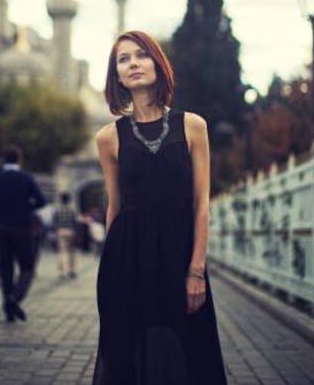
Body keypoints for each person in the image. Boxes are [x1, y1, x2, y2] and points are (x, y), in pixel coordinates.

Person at [92, 31, 228, 385]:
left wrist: (196, 271)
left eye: (141, 55)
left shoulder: (192, 126)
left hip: (178, 255)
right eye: (123, 59)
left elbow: (201, 205)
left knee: (187, 352)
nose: (133, 63)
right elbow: (115, 207)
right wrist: (114, 267)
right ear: (117, 75)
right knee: (130, 357)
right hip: (127, 260)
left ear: (157, 63)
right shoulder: (108, 137)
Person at [0, 144, 46, 323]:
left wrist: (2, 210)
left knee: (6, 268)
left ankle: (9, 311)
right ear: (19, 159)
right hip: (23, 228)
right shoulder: (26, 179)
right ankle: (14, 298)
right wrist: (25, 208)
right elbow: (40, 202)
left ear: (4, 159)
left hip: (3, 227)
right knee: (27, 267)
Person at [52, 192, 77, 279]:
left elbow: (54, 221)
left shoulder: (57, 209)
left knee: (62, 252)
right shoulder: (72, 209)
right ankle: (71, 270)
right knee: (71, 252)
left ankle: (62, 272)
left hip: (60, 231)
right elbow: (75, 221)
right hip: (70, 231)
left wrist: (56, 230)